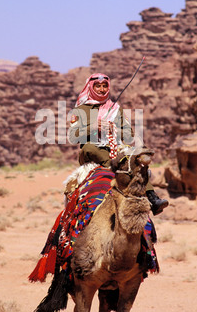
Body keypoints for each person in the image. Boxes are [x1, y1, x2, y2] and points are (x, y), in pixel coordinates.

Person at [68, 73, 168, 215]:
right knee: (91, 148)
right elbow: (73, 137)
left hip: (116, 149)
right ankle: (119, 170)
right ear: (90, 88)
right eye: (98, 86)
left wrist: (114, 128)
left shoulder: (116, 109)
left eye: (105, 86)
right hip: (92, 151)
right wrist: (93, 126)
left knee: (138, 156)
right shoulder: (80, 110)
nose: (102, 90)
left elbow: (129, 136)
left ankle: (152, 197)